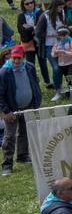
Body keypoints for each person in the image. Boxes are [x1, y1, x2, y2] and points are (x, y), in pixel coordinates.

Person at [0, 43, 41, 174]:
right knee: (9, 136)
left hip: (28, 106)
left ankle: (22, 156)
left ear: (23, 57)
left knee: (24, 131)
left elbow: (35, 83)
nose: (16, 61)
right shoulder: (4, 72)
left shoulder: (29, 67)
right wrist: (6, 111)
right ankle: (7, 164)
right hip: (11, 109)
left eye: (19, 58)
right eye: (14, 58)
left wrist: (35, 102)